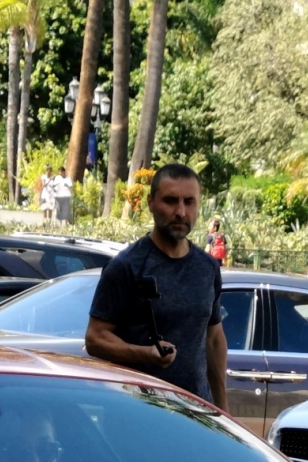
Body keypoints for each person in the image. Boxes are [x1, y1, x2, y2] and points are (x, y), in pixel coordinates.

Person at [84, 163, 228, 414]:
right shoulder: (126, 266)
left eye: (189, 202)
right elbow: (95, 338)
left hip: (195, 414)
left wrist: (223, 410)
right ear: (151, 203)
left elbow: (214, 339)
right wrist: (145, 354)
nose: (181, 212)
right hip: (137, 413)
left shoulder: (207, 267)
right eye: (171, 201)